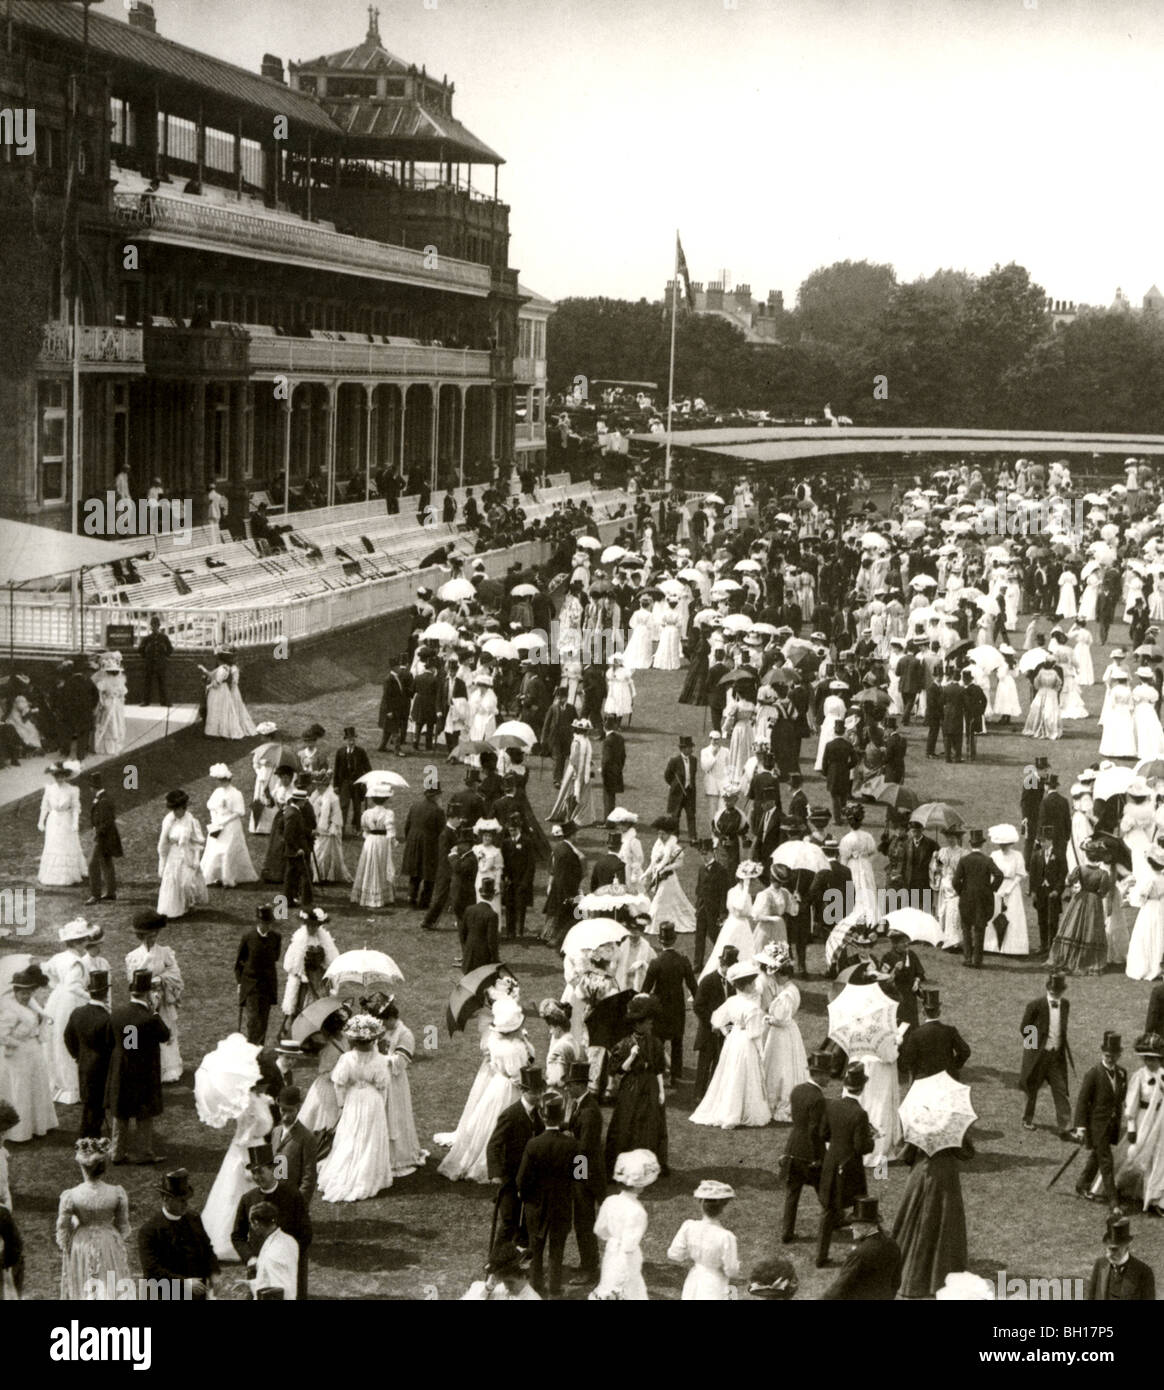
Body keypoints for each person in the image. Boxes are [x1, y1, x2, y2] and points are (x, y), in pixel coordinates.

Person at [438, 998, 534, 1184]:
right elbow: (518, 1075)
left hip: (497, 1084)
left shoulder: (497, 1041)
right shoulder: (513, 1048)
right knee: (507, 1124)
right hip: (509, 1087)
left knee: (488, 1123)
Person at [318, 1015, 394, 1203]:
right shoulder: (381, 1060)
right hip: (372, 1100)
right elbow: (383, 1085)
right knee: (370, 1138)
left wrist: (342, 1104)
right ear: (372, 1039)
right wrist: (380, 1103)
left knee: (351, 1135)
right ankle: (368, 1173)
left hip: (353, 1099)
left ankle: (350, 1171)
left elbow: (339, 1083)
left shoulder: (346, 1059)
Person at [690, 961, 772, 1129]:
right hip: (746, 1043)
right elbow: (755, 1034)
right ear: (747, 985)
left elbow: (717, 1019)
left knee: (730, 1074)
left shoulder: (733, 1001)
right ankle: (738, 1112)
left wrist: (729, 1031)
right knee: (744, 1075)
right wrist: (761, 1051)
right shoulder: (752, 1008)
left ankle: (729, 1110)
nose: (756, 985)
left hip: (733, 1041)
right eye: (753, 982)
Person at [892, 1135, 973, 1299]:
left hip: (920, 1174)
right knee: (944, 1222)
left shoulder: (917, 1121)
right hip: (945, 1177)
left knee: (914, 1222)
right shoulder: (951, 1122)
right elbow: (966, 1153)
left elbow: (905, 1155)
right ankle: (940, 1276)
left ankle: (911, 1273)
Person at [516, 1090, 578, 1298]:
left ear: (542, 1116)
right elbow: (581, 1175)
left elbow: (521, 1180)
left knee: (536, 1247)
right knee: (557, 1249)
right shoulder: (573, 1145)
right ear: (562, 1117)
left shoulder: (533, 1144)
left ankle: (535, 1288)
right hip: (562, 1204)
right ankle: (554, 1289)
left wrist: (526, 1197)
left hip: (536, 1206)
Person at [231, 1144, 313, 1300]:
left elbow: (306, 1232)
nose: (257, 1177)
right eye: (254, 1172)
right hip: (258, 1266)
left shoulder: (292, 1195)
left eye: (260, 1171)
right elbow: (237, 1236)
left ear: (273, 1169)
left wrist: (289, 1255)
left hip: (289, 1264)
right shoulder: (248, 1199)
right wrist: (250, 1258)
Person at [56, 1138, 133, 1299]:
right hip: (108, 1241)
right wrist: (113, 1236)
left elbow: (63, 1228)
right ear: (103, 1167)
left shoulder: (72, 1195)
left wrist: (68, 1245)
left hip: (81, 1244)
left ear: (82, 1167)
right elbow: (123, 1226)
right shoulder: (116, 1192)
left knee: (84, 1282)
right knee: (110, 1282)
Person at [816, 1061, 875, 1267]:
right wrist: (872, 1139)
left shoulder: (831, 1105)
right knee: (861, 1212)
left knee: (828, 1210)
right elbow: (862, 1147)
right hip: (850, 1167)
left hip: (831, 1163)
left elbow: (823, 1133)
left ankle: (820, 1257)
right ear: (862, 1087)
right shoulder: (860, 1114)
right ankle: (860, 1254)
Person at [604, 996, 668, 1177]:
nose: (651, 1025)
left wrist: (662, 1092)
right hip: (631, 1088)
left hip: (650, 1087)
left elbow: (659, 1069)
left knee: (650, 1126)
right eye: (648, 1023)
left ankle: (646, 1165)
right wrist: (631, 1057)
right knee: (627, 1124)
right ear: (638, 1024)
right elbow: (618, 1070)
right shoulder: (625, 1044)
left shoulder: (655, 1043)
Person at [486, 1064, 546, 1246]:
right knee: (509, 1222)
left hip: (529, 1178)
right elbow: (493, 1145)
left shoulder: (537, 1114)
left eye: (540, 1091)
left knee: (527, 1223)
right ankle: (495, 1265)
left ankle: (519, 1259)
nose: (539, 1096)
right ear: (524, 1090)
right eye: (535, 1092)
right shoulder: (510, 1115)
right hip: (510, 1178)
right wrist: (496, 1174)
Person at [589, 1148, 659, 1301]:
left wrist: (613, 1238)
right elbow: (629, 1246)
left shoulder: (610, 1201)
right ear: (640, 1185)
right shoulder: (637, 1211)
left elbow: (599, 1229)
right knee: (629, 1290)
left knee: (608, 1283)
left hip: (611, 1252)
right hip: (627, 1259)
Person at [137, 1169, 219, 1298]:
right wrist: (184, 1283)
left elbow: (207, 1249)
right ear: (166, 1199)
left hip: (196, 1293)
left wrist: (214, 1272)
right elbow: (151, 1269)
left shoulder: (193, 1219)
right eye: (181, 1200)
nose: (185, 1204)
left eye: (187, 1199)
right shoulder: (150, 1230)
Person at [124, 910, 184, 1085]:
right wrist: (147, 984)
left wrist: (161, 980)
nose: (153, 939)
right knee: (143, 1032)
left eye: (155, 934)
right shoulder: (133, 957)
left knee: (165, 1029)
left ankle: (169, 1067)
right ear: (141, 936)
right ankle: (147, 1067)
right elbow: (132, 980)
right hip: (144, 1000)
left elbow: (175, 975)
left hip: (163, 999)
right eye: (149, 936)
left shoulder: (165, 952)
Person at [0, 969, 57, 1142]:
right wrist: (18, 1042)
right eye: (22, 993)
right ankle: (20, 1131)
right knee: (21, 1090)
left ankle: (39, 1125)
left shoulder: (32, 1004)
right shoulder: (10, 1010)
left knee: (37, 1086)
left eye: (29, 992)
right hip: (18, 1055)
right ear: (15, 992)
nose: (26, 996)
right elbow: (2, 1035)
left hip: (34, 1050)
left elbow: (40, 1022)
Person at [781, 1048, 832, 1244]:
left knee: (792, 1193)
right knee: (825, 1191)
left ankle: (787, 1232)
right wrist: (820, 1156)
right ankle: (833, 1221)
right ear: (817, 1074)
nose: (829, 1079)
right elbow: (814, 1131)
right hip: (809, 1153)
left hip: (792, 1148)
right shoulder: (818, 1098)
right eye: (826, 1075)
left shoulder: (798, 1090)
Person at [1074, 1030, 1128, 1211]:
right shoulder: (1093, 1074)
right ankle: (1114, 1203)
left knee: (1097, 1156)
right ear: (1101, 1053)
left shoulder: (1122, 1074)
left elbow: (1122, 1099)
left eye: (1114, 1055)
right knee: (1106, 1161)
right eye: (1107, 1055)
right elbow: (1082, 1101)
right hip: (1096, 1126)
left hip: (1112, 1126)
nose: (1110, 1058)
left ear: (1119, 1055)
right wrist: (1081, 1127)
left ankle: (1082, 1184)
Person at [566, 1061, 606, 1286]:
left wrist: (576, 1178)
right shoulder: (583, 1104)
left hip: (586, 1178)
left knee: (583, 1223)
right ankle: (587, 1263)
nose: (567, 1089)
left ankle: (589, 1268)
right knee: (583, 1223)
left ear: (580, 1085)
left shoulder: (589, 1112)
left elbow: (583, 1151)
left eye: (570, 1085)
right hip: (588, 1173)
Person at [642, 922, 697, 1083]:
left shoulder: (656, 963)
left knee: (658, 1042)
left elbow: (645, 989)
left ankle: (656, 1073)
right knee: (677, 1042)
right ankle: (676, 1075)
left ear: (660, 941)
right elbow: (693, 987)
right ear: (675, 939)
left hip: (660, 1008)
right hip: (678, 1008)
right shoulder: (683, 961)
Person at [667, 1180, 741, 1300]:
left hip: (694, 1279)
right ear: (724, 1208)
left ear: (701, 1204)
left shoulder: (689, 1227)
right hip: (715, 1283)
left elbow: (674, 1254)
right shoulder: (726, 1237)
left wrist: (692, 1251)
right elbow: (731, 1271)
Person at [44, 920, 92, 1105]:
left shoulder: (59, 957)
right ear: (77, 942)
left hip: (57, 1000)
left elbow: (47, 971)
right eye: (84, 941)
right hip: (71, 1002)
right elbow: (73, 986)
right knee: (73, 1042)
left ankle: (60, 1084)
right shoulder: (77, 962)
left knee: (57, 1040)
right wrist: (90, 998)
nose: (86, 944)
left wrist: (57, 986)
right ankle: (72, 1086)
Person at [1020, 971, 1073, 1136]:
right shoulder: (1035, 1005)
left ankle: (1065, 1126)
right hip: (1039, 1057)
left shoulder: (1065, 1005)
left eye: (1057, 991)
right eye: (1051, 990)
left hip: (1056, 1057)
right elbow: (1024, 1028)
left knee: (1061, 1089)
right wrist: (1033, 1050)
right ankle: (1027, 1119)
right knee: (1032, 1089)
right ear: (1047, 988)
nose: (1054, 993)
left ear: (1062, 991)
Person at [820, 1196, 902, 1300]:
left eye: (854, 1223)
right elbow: (896, 1282)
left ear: (866, 1226)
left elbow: (840, 1287)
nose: (851, 1227)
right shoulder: (893, 1245)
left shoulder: (859, 1254)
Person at [1049, 840, 1112, 976]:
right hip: (1094, 901)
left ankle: (1067, 957)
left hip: (1079, 899)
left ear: (1087, 855)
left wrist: (1075, 884)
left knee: (1073, 926)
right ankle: (1087, 959)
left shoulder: (1080, 869)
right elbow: (1103, 891)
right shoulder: (1103, 873)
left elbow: (1068, 881)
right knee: (1091, 928)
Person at [64, 970, 114, 1138]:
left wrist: (78, 1056)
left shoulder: (77, 1012)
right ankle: (89, 1140)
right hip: (102, 1068)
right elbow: (114, 1045)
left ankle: (89, 1137)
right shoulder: (106, 1018)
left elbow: (68, 1037)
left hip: (84, 1065)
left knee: (89, 1104)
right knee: (95, 1107)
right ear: (105, 993)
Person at [760, 950, 809, 1120]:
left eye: (777, 975)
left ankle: (780, 1100)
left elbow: (780, 1019)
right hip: (789, 1031)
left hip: (781, 1033)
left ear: (783, 975)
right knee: (787, 1065)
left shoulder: (786, 995)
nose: (774, 978)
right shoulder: (792, 989)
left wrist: (768, 1018)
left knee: (780, 1067)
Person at [953, 828, 1004, 969]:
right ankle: (977, 960)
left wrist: (961, 892)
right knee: (979, 929)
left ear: (971, 844)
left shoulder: (964, 860)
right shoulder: (987, 860)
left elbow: (955, 881)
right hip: (983, 899)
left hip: (966, 898)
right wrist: (991, 889)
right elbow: (999, 875)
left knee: (966, 928)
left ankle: (968, 958)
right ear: (982, 845)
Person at [279, 908, 339, 1025]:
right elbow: (290, 964)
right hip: (304, 979)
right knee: (303, 1004)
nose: (312, 929)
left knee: (320, 1002)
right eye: (309, 926)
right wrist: (301, 974)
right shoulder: (299, 939)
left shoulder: (323, 939)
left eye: (315, 926)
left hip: (319, 976)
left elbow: (331, 959)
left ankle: (318, 1031)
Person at [156, 789, 207, 919]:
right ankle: (176, 908)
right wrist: (162, 860)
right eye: (174, 810)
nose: (175, 813)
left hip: (187, 854)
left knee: (186, 883)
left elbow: (199, 840)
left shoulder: (191, 820)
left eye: (178, 810)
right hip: (173, 855)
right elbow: (163, 842)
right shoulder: (168, 820)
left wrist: (194, 854)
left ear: (183, 808)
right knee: (173, 882)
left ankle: (190, 903)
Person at [235, 906, 282, 1047]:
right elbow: (239, 963)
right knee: (253, 1020)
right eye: (263, 923)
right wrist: (239, 983)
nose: (266, 926)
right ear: (258, 921)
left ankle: (259, 1050)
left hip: (267, 986)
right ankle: (251, 1050)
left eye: (268, 923)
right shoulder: (248, 938)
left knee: (263, 1021)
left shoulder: (276, 938)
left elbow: (275, 957)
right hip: (251, 986)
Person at [899, 988, 970, 1081]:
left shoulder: (916, 1034)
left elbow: (906, 1061)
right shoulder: (950, 1031)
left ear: (923, 1012)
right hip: (948, 1078)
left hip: (924, 1080)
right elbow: (965, 1051)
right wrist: (953, 1066)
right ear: (939, 1012)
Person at [38, 760, 87, 887]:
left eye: (61, 776)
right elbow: (44, 806)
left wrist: (75, 823)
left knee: (66, 845)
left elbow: (76, 807)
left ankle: (68, 875)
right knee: (53, 845)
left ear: (65, 776)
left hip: (66, 819)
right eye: (56, 776)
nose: (59, 779)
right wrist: (41, 821)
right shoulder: (49, 789)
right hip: (53, 820)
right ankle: (51, 875)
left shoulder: (73, 790)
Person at [1084, 1215, 1156, 1300]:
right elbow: (1090, 1297)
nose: (1109, 1254)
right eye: (1107, 1248)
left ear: (1127, 1246)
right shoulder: (1100, 1264)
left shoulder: (1143, 1272)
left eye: (1114, 1249)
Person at [270, 1086, 319, 1204]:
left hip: (292, 1199)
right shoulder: (276, 1132)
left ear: (298, 1108)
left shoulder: (306, 1137)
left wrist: (300, 1204)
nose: (286, 1115)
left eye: (290, 1111)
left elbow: (309, 1177)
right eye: (283, 1110)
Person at [244, 1200, 299, 1300]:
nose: (251, 1227)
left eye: (250, 1223)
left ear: (256, 1223)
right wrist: (249, 1283)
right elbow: (269, 1279)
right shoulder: (289, 1240)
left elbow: (278, 1290)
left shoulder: (274, 1252)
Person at [84, 773, 122, 905]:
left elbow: (106, 821)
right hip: (108, 836)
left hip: (102, 837)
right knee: (106, 862)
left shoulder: (103, 800)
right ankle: (111, 892)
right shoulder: (104, 797)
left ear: (92, 787)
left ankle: (95, 894)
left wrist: (97, 832)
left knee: (92, 863)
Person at [461, 1242, 541, 1301]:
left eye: (510, 1282)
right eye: (504, 1282)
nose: (506, 1286)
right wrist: (487, 1289)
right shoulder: (500, 1289)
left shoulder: (532, 1298)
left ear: (524, 1277)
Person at [333, 727, 372, 835]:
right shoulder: (340, 752)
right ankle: (342, 828)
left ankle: (357, 827)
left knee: (357, 806)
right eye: (349, 739)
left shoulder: (361, 752)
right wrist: (336, 785)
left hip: (357, 783)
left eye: (353, 739)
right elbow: (336, 769)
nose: (351, 741)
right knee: (343, 806)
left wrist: (366, 780)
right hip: (344, 782)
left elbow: (368, 767)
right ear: (345, 740)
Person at [663, 735, 699, 843]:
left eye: (691, 747)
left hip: (690, 792)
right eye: (689, 747)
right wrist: (674, 785)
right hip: (677, 793)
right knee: (675, 815)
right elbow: (667, 776)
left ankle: (692, 837)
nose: (692, 749)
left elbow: (693, 775)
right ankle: (675, 836)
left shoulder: (694, 760)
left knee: (691, 815)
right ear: (683, 749)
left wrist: (689, 786)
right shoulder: (674, 761)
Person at [138, 617, 173, 707]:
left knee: (162, 682)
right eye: (153, 625)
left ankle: (164, 701)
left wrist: (164, 657)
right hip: (150, 663)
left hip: (161, 663)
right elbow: (140, 649)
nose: (154, 627)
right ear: (151, 626)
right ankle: (146, 701)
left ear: (159, 626)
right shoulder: (147, 638)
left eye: (156, 625)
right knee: (147, 682)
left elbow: (170, 649)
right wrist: (146, 658)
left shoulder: (164, 638)